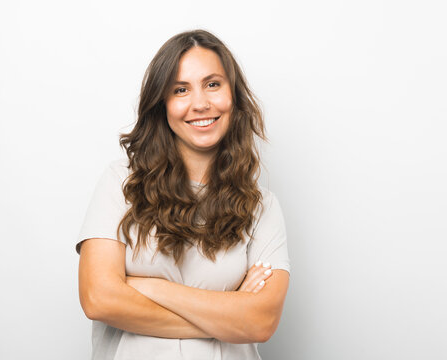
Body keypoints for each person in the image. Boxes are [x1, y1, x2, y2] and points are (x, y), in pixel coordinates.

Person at [75, 29, 291, 360]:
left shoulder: (262, 207)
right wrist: (230, 313)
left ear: (234, 95)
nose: (200, 103)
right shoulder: (121, 184)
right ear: (162, 104)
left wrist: (146, 286)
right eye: (181, 90)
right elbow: (98, 298)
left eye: (213, 84)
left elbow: (260, 322)